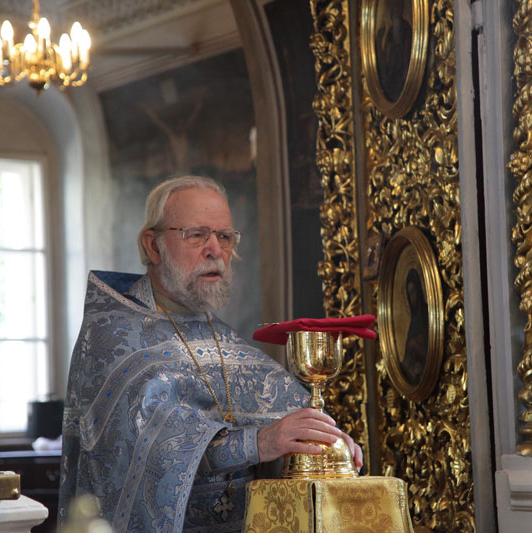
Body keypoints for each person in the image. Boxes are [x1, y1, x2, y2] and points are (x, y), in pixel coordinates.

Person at [58, 176, 362, 531]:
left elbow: (284, 412)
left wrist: (323, 444)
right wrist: (258, 442)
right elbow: (142, 450)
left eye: (225, 237)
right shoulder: (111, 336)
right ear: (153, 246)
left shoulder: (225, 339)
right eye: (197, 235)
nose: (215, 250)